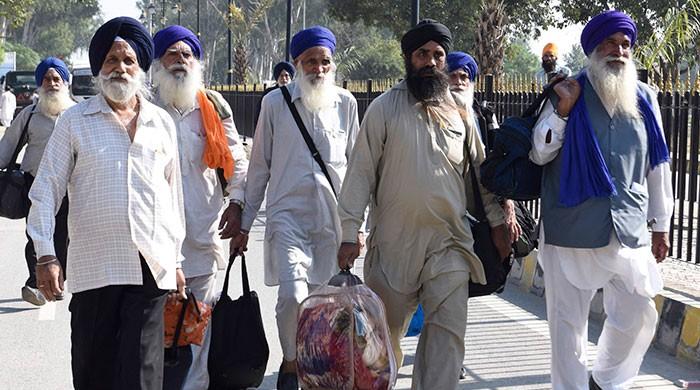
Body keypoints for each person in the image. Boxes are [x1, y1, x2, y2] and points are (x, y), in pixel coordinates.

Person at [336, 19, 510, 390]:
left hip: (449, 245)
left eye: (438, 55)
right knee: (383, 347)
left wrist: (497, 222)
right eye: (422, 54)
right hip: (393, 249)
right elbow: (361, 173)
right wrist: (349, 232)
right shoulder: (384, 108)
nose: (430, 62)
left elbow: (480, 174)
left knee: (448, 339)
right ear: (408, 59)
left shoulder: (461, 111)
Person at [27, 17, 186, 390]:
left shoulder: (161, 123)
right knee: (94, 373)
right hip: (94, 268)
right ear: (99, 68)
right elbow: (46, 188)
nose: (120, 68)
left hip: (151, 266)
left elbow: (172, 196)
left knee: (143, 377)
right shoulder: (75, 121)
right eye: (112, 60)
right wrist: (46, 255)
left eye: (129, 60)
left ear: (141, 68)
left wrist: (176, 260)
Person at [529, 10, 673, 389]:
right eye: (610, 43)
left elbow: (658, 165)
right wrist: (563, 110)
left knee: (639, 313)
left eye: (625, 44)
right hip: (569, 226)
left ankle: (607, 380)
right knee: (566, 327)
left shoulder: (645, 99)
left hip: (626, 224)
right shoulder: (567, 89)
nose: (619, 51)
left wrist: (661, 224)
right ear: (594, 48)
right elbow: (539, 152)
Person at [235, 25, 360, 390]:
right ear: (296, 63)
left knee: (325, 302)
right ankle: (291, 361)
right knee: (292, 296)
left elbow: (356, 169)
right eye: (310, 61)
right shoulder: (275, 104)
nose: (318, 69)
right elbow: (259, 168)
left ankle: (315, 368)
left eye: (324, 62)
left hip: (331, 220)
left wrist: (357, 227)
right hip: (287, 217)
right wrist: (244, 222)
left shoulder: (346, 104)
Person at [152, 25, 248, 390]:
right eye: (172, 54)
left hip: (202, 234)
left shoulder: (213, 107)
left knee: (198, 327)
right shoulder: (143, 108)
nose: (180, 60)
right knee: (156, 330)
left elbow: (236, 160)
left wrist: (237, 203)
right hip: (154, 243)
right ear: (158, 63)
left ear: (197, 61)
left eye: (186, 54)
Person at [446, 50, 522, 380]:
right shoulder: (427, 113)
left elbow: (498, 167)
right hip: (437, 212)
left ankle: (451, 354)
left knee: (457, 288)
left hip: (475, 215)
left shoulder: (484, 114)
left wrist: (506, 207)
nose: (458, 81)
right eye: (453, 74)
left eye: (465, 76)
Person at [0, 57, 75, 306]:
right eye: (47, 79)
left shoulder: (77, 115)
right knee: (35, 235)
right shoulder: (30, 114)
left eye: (57, 79)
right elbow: (8, 147)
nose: (52, 83)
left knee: (62, 236)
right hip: (35, 185)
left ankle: (56, 283)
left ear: (65, 83)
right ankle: (35, 283)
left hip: (68, 189)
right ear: (39, 84)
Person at [255, 61, 296, 129]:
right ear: (277, 78)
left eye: (286, 75)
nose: (284, 79)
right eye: (281, 76)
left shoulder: (295, 94)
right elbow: (260, 115)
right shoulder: (269, 94)